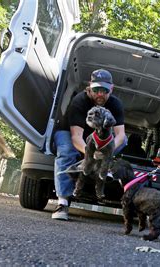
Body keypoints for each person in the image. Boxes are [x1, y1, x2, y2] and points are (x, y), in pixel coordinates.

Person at [52, 69, 126, 221]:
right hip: (70, 133)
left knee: (124, 141)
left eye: (104, 90)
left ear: (111, 89)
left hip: (97, 139)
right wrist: (91, 154)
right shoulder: (79, 102)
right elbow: (76, 137)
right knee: (66, 151)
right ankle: (63, 203)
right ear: (90, 87)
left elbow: (121, 135)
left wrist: (106, 152)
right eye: (96, 89)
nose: (100, 94)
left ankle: (105, 166)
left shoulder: (116, 104)